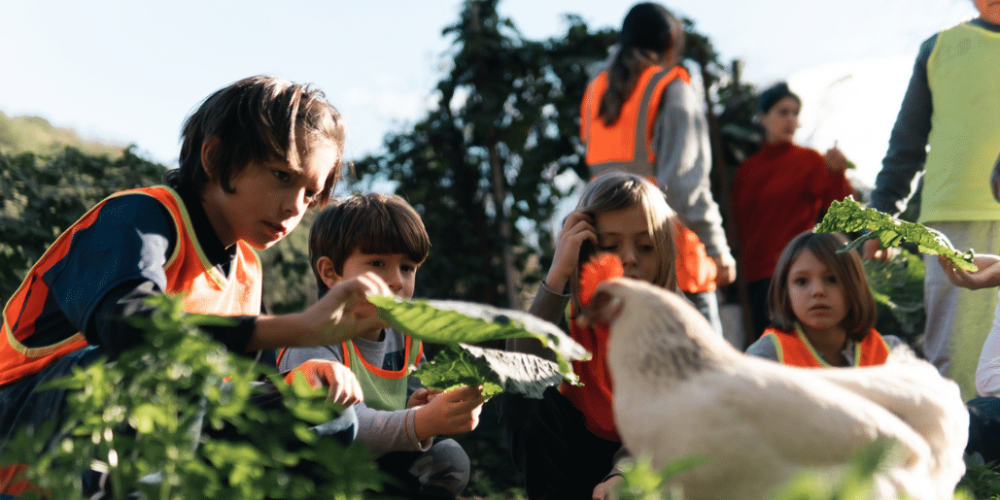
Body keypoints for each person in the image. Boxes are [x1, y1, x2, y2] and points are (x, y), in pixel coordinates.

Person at [0, 75, 393, 496]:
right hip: (21, 427)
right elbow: (132, 329)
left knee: (325, 415)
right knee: (168, 362)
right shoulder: (134, 218)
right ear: (215, 156)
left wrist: (297, 380)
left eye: (309, 192)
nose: (294, 206)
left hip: (148, 430)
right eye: (281, 176)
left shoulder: (246, 271)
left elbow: (229, 391)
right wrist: (300, 328)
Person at [277, 193, 484, 500]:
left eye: (408, 267)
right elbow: (345, 426)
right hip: (324, 474)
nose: (397, 281)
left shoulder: (406, 335)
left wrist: (434, 403)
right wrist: (421, 421)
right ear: (331, 273)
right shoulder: (313, 341)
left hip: (377, 465)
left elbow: (414, 403)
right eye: (377, 263)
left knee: (449, 461)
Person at [500, 172, 678, 500]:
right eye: (610, 245)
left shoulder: (673, 325)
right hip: (574, 461)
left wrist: (624, 473)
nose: (629, 258)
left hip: (646, 461)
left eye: (645, 246)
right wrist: (557, 276)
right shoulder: (567, 310)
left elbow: (668, 418)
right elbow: (517, 370)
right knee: (523, 396)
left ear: (663, 252)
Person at [862, 0, 1000, 401]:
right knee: (955, 364)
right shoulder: (938, 48)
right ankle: (963, 461)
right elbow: (905, 143)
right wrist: (883, 215)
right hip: (951, 228)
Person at [578, 1, 736, 335]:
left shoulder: (594, 93)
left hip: (613, 267)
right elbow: (684, 189)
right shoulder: (672, 89)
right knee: (708, 377)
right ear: (670, 44)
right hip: (674, 263)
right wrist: (718, 249)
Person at [731, 83, 854, 341]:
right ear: (762, 118)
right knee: (763, 352)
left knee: (796, 349)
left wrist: (836, 173)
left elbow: (841, 212)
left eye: (794, 113)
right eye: (782, 112)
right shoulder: (746, 171)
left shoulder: (809, 160)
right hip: (753, 279)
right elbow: (736, 226)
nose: (790, 119)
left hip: (795, 273)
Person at [746, 231, 903, 367]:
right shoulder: (767, 356)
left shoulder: (891, 353)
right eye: (801, 281)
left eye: (832, 279)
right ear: (784, 291)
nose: (818, 291)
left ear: (854, 287)